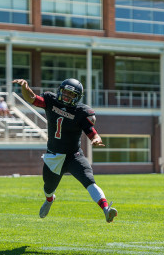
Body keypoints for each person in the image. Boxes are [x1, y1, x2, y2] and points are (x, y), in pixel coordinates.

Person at [12, 78, 118, 223]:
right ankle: (49, 200)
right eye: (66, 93)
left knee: (89, 181)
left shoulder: (81, 111)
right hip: (54, 156)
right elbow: (32, 98)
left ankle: (106, 210)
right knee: (48, 188)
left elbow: (90, 130)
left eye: (71, 94)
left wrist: (96, 138)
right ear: (60, 91)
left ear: (77, 97)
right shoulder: (51, 101)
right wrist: (25, 87)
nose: (67, 96)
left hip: (74, 156)